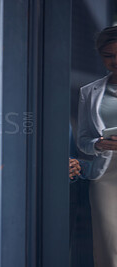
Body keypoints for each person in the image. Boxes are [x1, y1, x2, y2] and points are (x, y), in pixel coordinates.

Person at [77, 25, 117, 267]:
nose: (115, 61)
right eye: (108, 55)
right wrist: (99, 144)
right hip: (106, 178)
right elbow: (83, 141)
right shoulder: (89, 92)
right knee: (108, 244)